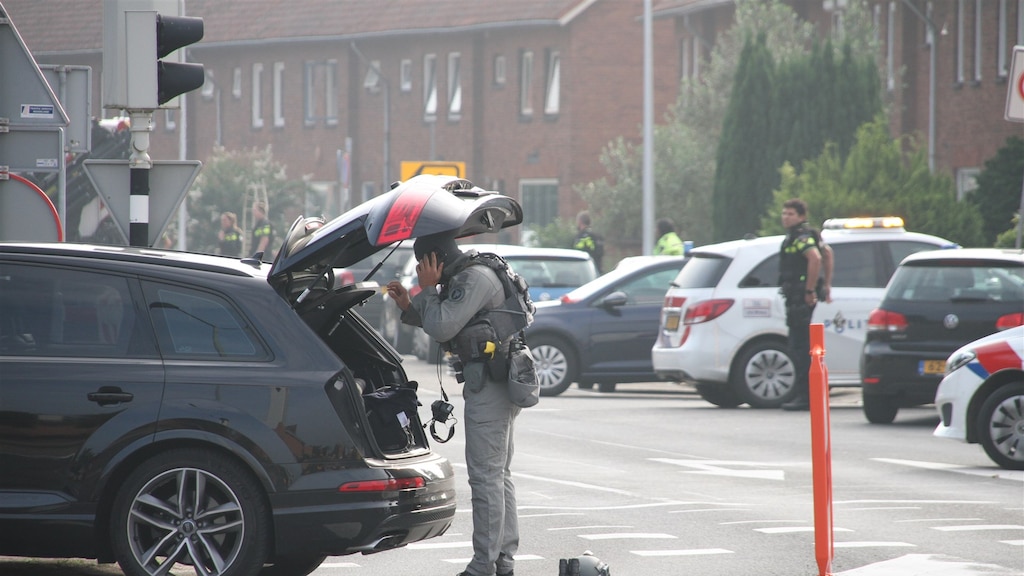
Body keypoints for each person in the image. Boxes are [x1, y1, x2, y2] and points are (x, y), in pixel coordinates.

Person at [385, 233, 520, 576]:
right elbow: (448, 318)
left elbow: (443, 325)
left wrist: (427, 289)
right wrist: (409, 306)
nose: (421, 273)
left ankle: (483, 566)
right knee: (498, 475)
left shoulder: (473, 278)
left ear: (435, 261)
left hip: (492, 385)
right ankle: (501, 561)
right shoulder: (465, 275)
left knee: (486, 477)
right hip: (494, 381)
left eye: (424, 267)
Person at [778, 198, 833, 411]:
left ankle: (806, 396)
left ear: (801, 217)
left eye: (791, 214)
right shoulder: (805, 235)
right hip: (797, 296)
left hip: (800, 298)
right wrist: (826, 285)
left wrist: (809, 290)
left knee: (799, 346)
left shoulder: (800, 237)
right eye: (784, 213)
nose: (786, 217)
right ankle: (810, 393)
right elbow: (828, 253)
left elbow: (816, 258)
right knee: (801, 345)